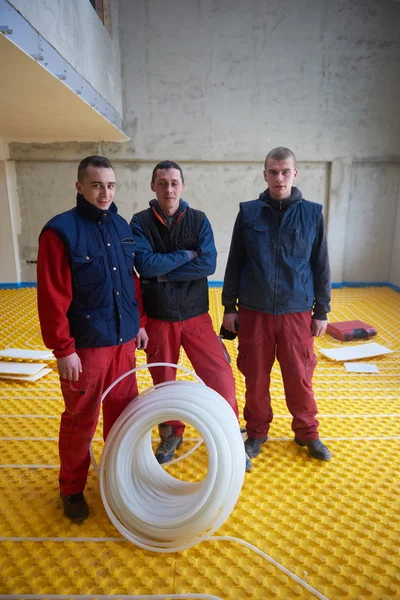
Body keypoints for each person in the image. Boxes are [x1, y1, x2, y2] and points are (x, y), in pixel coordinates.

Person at [37, 155, 148, 521]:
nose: (105, 192)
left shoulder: (120, 226)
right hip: (85, 349)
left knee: (122, 416)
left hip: (122, 343)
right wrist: (63, 350)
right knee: (80, 421)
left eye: (111, 185)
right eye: (97, 184)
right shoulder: (60, 232)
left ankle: (118, 478)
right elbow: (52, 296)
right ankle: (71, 488)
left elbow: (131, 283)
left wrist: (140, 324)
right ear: (79, 187)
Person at [130, 160, 249, 468]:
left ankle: (229, 433)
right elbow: (145, 265)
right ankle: (171, 434)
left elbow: (207, 264)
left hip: (197, 316)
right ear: (152, 186)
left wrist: (164, 273)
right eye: (162, 182)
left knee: (220, 376)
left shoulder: (198, 220)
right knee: (164, 382)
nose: (169, 188)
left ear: (182, 186)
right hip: (158, 318)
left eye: (174, 182)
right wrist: (184, 256)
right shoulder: (140, 222)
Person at [222, 147, 332, 464]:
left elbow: (321, 265)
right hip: (254, 312)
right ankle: (256, 432)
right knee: (255, 376)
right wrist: (229, 306)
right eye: (273, 171)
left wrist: (322, 310)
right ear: (265, 174)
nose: (279, 177)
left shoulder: (312, 214)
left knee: (299, 376)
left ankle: (307, 432)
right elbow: (235, 262)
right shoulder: (248, 213)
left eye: (285, 171)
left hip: (296, 312)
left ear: (295, 174)